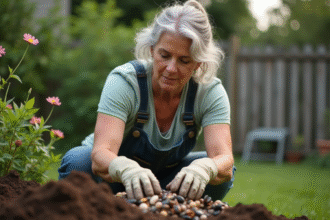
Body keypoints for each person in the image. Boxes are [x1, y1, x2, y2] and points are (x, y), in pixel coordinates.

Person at [58, 0, 235, 201]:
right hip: (113, 180)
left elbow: (225, 161)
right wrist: (126, 169)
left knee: (218, 172)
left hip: (170, 181)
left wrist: (205, 168)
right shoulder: (125, 81)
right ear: (152, 49)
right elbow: (100, 154)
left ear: (198, 63)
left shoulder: (210, 92)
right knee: (78, 161)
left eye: (184, 60)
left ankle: (175, 212)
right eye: (164, 55)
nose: (171, 68)